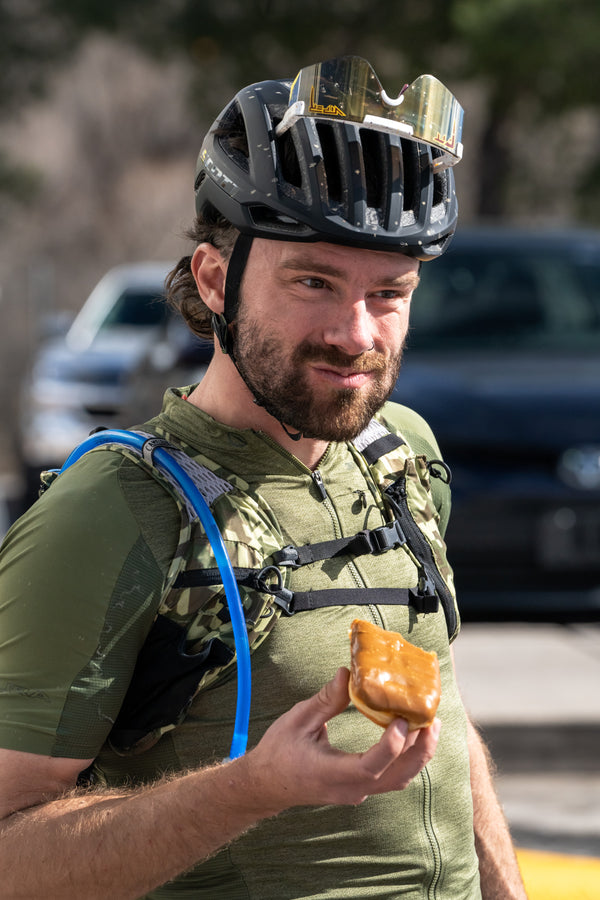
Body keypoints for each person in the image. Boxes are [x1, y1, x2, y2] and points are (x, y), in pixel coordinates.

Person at [0, 56, 526, 899]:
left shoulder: (401, 454)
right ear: (215, 280)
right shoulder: (114, 509)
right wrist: (249, 790)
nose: (357, 334)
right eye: (314, 282)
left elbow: (447, 723)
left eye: (389, 293)